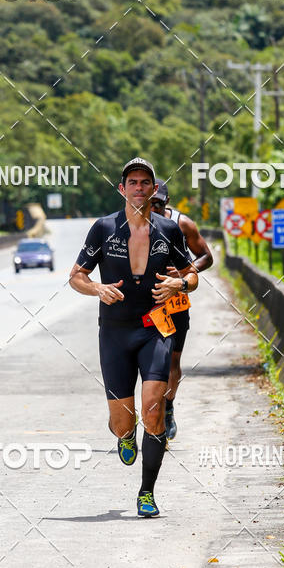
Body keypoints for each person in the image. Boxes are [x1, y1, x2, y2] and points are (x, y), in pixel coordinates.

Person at [69, 158, 198, 517]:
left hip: (155, 328)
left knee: (154, 409)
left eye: (146, 182)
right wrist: (96, 288)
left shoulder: (168, 231)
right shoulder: (103, 228)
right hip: (114, 333)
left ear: (154, 190)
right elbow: (76, 276)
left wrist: (178, 283)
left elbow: (192, 275)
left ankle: (146, 493)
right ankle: (125, 436)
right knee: (124, 420)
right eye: (133, 182)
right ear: (122, 188)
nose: (140, 187)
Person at [150, 179, 213, 441]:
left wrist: (186, 272)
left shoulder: (182, 223)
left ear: (167, 202)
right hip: (148, 303)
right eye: (148, 203)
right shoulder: (131, 223)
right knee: (151, 361)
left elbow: (207, 256)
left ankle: (168, 407)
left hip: (175, 302)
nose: (153, 209)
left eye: (158, 204)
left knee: (172, 360)